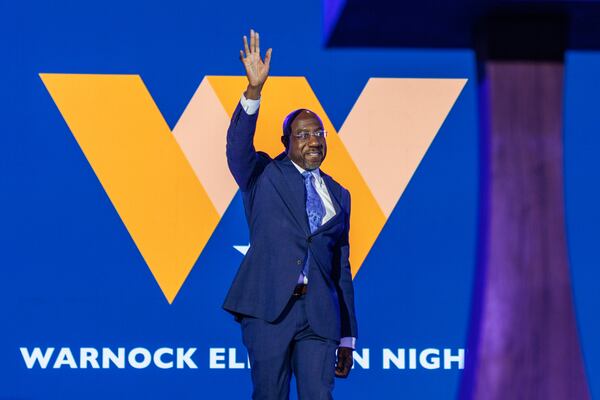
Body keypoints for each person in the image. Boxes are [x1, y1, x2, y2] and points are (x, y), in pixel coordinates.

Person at [222, 29, 358, 400]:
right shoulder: (262, 174)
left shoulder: (339, 195)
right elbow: (237, 148)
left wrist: (347, 335)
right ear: (286, 143)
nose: (313, 140)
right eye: (302, 135)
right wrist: (253, 91)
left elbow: (340, 268)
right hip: (269, 311)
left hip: (320, 317)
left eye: (319, 133)